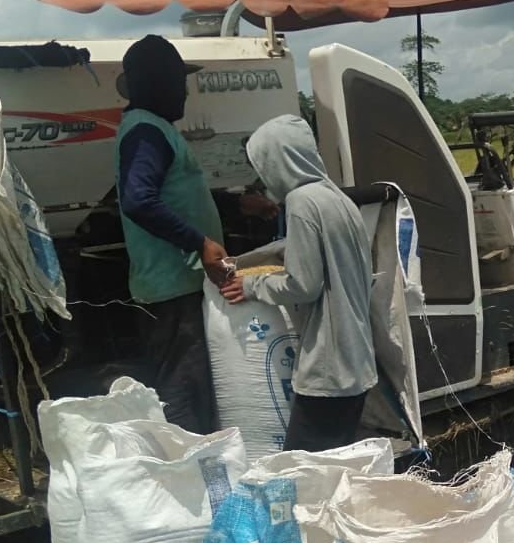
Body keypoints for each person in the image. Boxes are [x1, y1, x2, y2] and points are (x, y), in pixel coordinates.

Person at [224, 114, 377, 452]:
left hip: (328, 368)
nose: (263, 178)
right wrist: (245, 260)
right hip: (356, 361)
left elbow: (302, 285)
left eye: (263, 165)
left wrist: (252, 286)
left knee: (305, 468)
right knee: (337, 464)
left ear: (279, 160)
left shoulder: (300, 202)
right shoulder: (335, 198)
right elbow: (301, 247)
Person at [114, 33, 232, 434]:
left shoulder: (153, 128)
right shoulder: (146, 131)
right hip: (172, 291)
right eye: (177, 80)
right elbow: (138, 200)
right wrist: (199, 243)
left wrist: (235, 206)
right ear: (156, 83)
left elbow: (173, 197)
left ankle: (202, 469)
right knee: (184, 387)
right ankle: (195, 476)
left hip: (176, 287)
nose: (184, 91)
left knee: (194, 385)